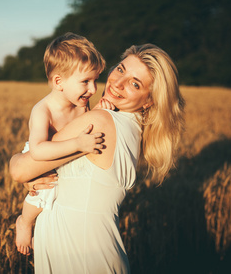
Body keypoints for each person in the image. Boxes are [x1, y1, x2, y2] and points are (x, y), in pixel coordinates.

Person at [10, 43, 185, 273]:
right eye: (121, 69)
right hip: (90, 253)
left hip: (79, 258)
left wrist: (29, 174)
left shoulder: (100, 121)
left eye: (135, 84)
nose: (118, 83)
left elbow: (20, 170)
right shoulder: (129, 127)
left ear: (150, 100)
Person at [15, 32, 107, 255]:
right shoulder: (42, 110)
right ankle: (24, 222)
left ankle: (51, 241)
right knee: (41, 194)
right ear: (58, 82)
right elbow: (37, 150)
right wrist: (77, 144)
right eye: (85, 81)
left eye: (95, 81)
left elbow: (85, 126)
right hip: (45, 153)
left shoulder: (80, 101)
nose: (93, 89)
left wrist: (100, 112)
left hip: (70, 151)